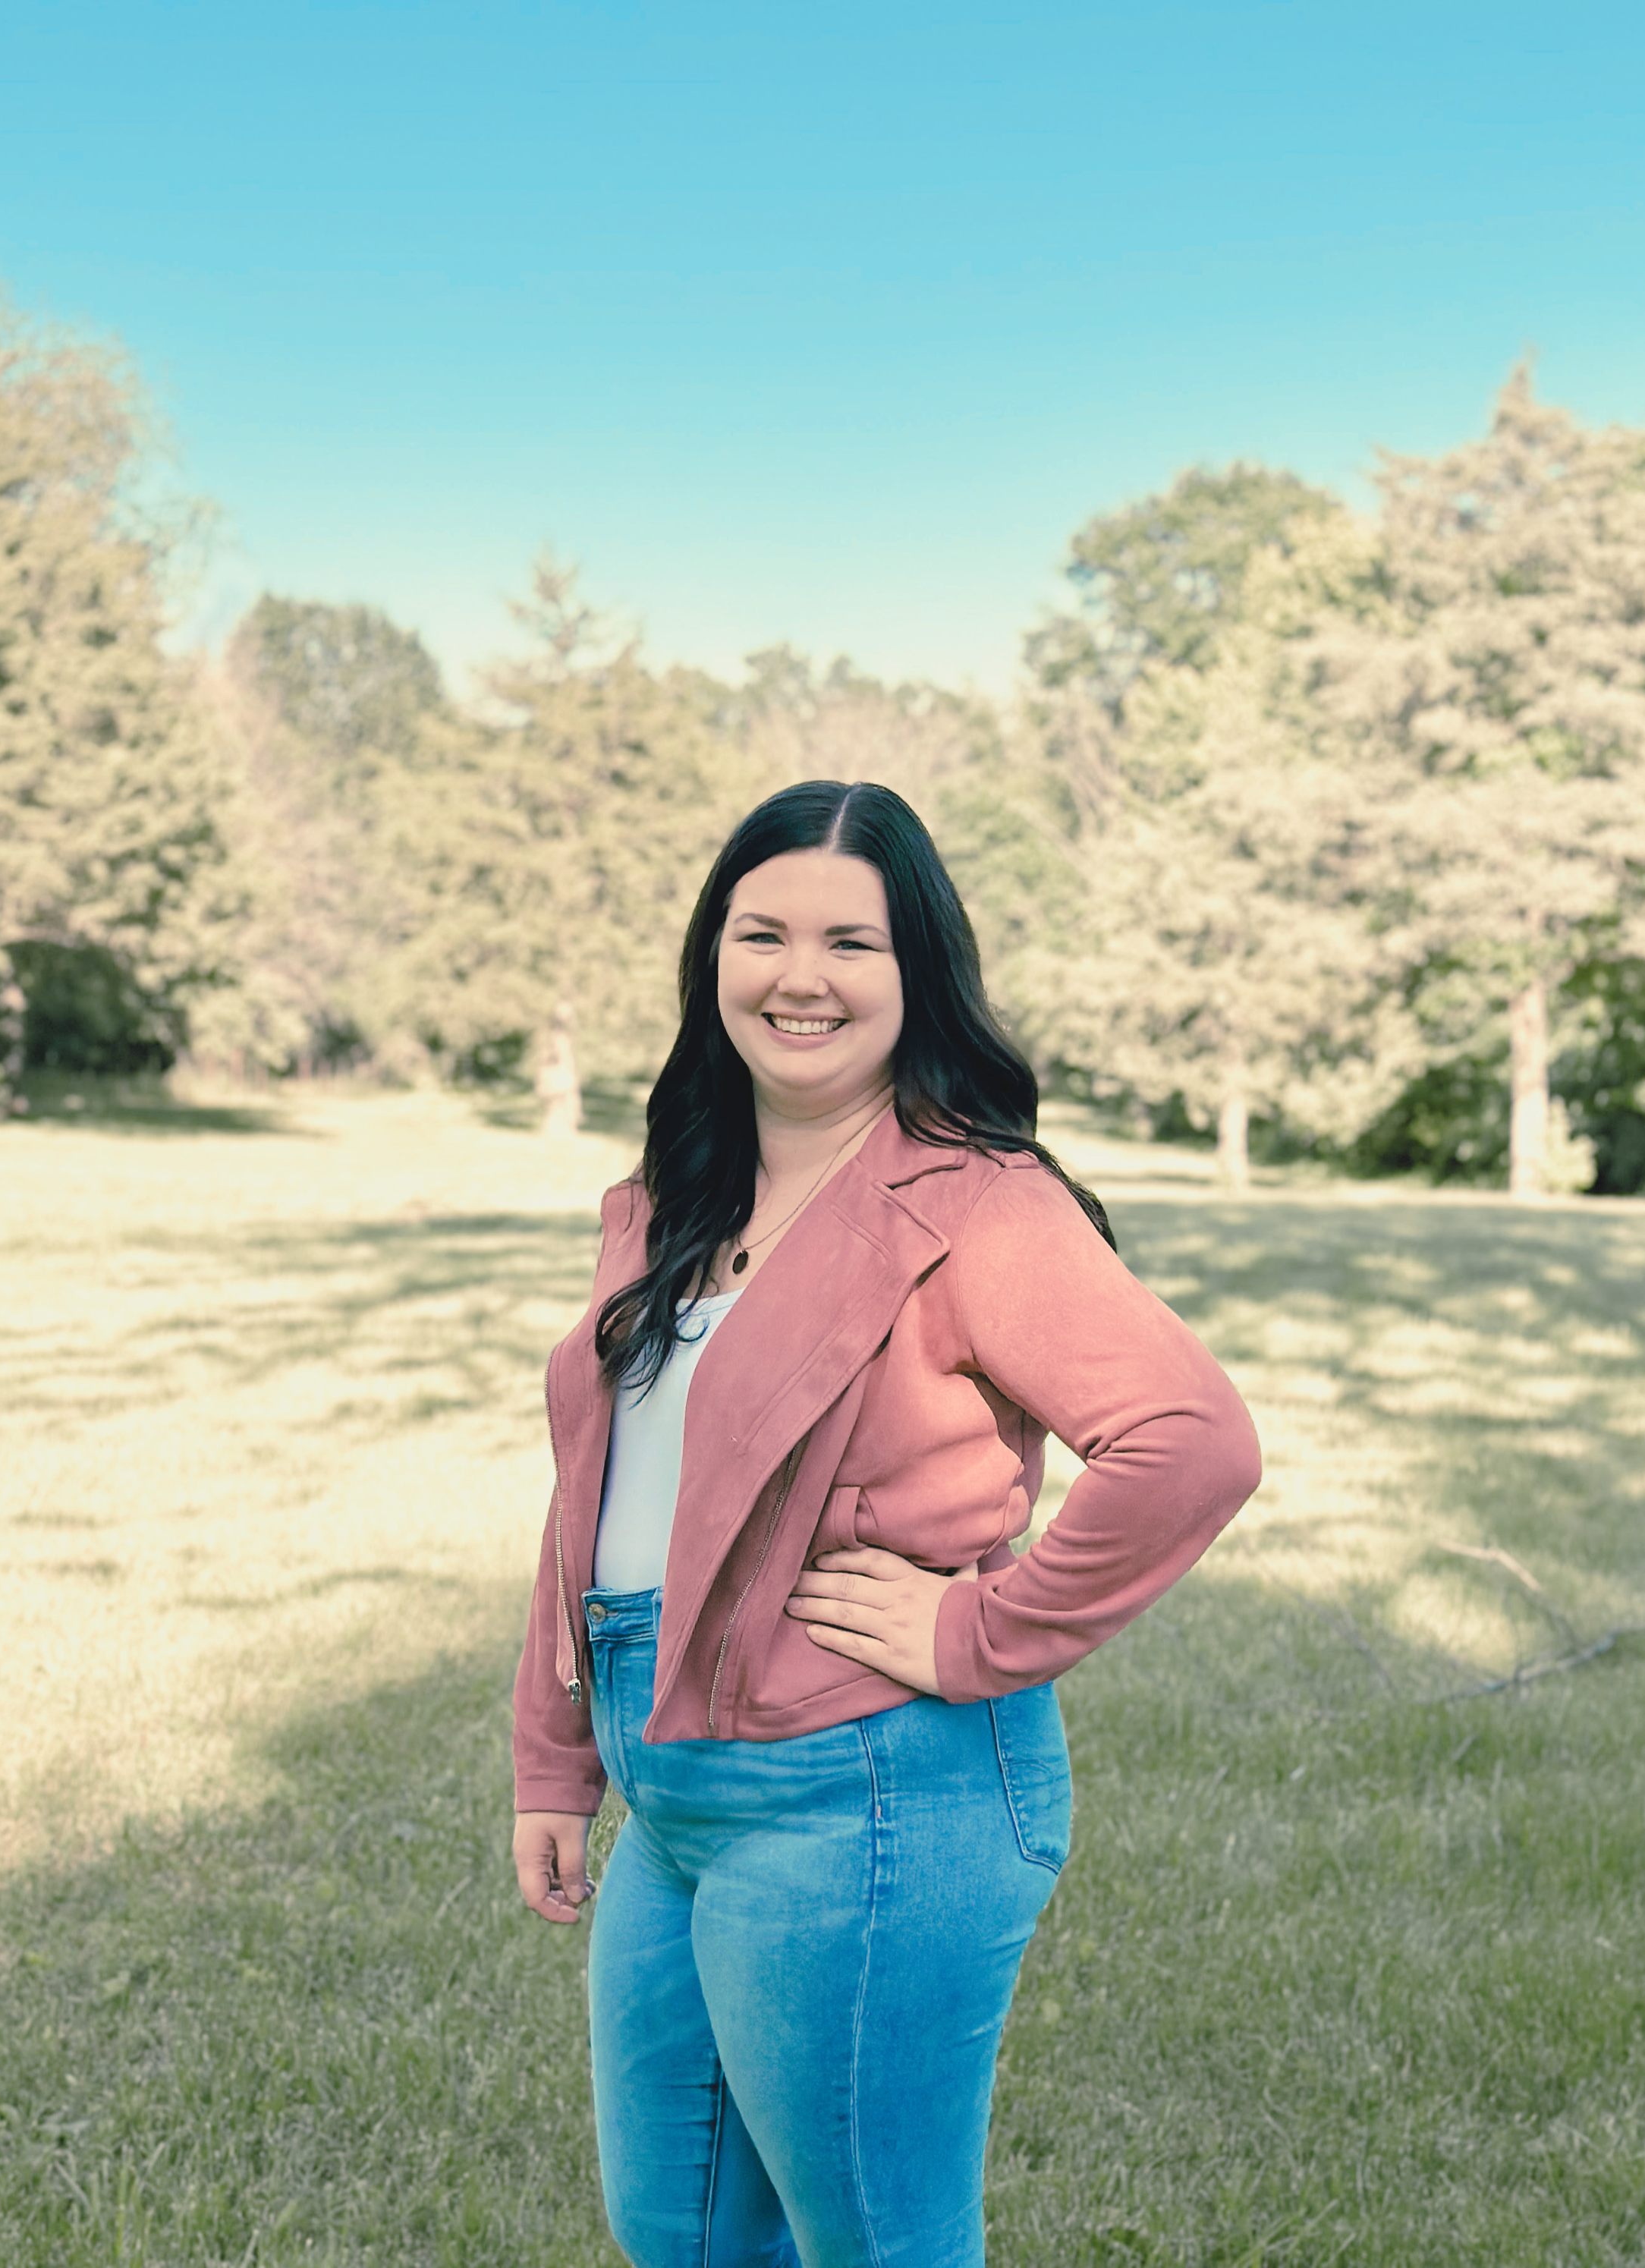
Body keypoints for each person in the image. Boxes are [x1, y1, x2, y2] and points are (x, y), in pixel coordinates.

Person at [511, 779, 1261, 2268]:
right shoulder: (671, 1199)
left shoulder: (978, 1204)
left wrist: (980, 1629)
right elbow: (596, 1490)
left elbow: (1193, 1443)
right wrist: (556, 1758)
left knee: (877, 2246)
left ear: (915, 971)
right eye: (762, 933)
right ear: (709, 957)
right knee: (683, 2237)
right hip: (670, 1789)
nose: (801, 976)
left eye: (850, 941)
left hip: (864, 1788)